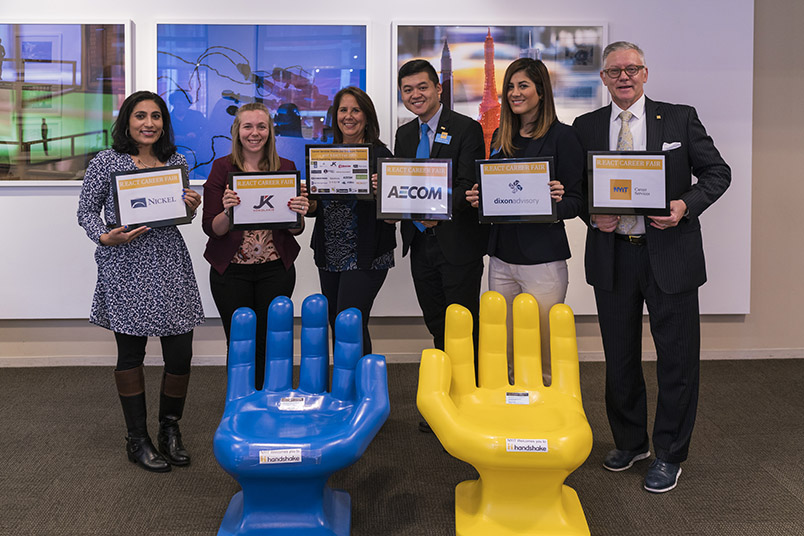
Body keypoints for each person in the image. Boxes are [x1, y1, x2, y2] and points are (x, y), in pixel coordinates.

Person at [572, 41, 731, 493]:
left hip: (670, 255)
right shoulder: (585, 127)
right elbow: (579, 192)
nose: (623, 77)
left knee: (676, 361)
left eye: (632, 69)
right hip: (613, 255)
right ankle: (630, 442)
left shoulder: (679, 117)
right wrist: (590, 215)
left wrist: (685, 204)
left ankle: (669, 454)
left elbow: (718, 173)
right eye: (614, 71)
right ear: (603, 79)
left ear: (645, 74)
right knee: (619, 358)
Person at [77, 90, 204, 473]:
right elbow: (85, 212)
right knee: (131, 354)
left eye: (156, 116)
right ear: (127, 121)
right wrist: (103, 236)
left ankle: (170, 430)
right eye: (140, 116)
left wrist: (191, 208)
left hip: (168, 262)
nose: (148, 123)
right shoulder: (106, 162)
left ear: (164, 122)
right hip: (126, 264)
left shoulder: (174, 160)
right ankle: (137, 439)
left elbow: (179, 215)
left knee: (180, 354)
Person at [465, 58, 584, 382]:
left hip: (543, 262)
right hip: (501, 259)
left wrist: (556, 202)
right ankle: (507, 418)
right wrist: (481, 199)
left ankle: (543, 421)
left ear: (541, 91)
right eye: (511, 87)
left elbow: (577, 201)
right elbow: (499, 195)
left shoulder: (564, 137)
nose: (515, 93)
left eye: (523, 86)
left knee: (542, 352)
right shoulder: (501, 138)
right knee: (501, 349)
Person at [202, 102, 309, 390]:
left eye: (261, 126)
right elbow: (211, 228)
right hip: (230, 272)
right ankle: (240, 402)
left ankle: (268, 400)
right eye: (247, 126)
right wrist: (227, 211)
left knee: (270, 340)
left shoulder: (285, 168)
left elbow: (295, 229)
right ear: (237, 131)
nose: (255, 133)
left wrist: (298, 210)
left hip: (275, 270)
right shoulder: (221, 168)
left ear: (270, 131)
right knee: (239, 341)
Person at [394, 59, 488, 355]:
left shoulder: (466, 128)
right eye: (407, 90)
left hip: (456, 242)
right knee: (435, 318)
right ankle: (446, 379)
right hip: (420, 242)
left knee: (463, 321)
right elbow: (402, 184)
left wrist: (436, 211)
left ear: (438, 88)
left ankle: (468, 387)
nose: (415, 95)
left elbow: (467, 184)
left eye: (422, 87)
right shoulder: (404, 134)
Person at [306, 87, 395, 355]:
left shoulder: (383, 157)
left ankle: (362, 390)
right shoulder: (324, 156)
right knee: (337, 321)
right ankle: (347, 386)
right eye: (343, 110)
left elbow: (394, 216)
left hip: (366, 253)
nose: (348, 116)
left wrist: (384, 196)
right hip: (329, 251)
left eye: (355, 110)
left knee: (350, 322)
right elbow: (316, 207)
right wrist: (306, 202)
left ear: (367, 117)